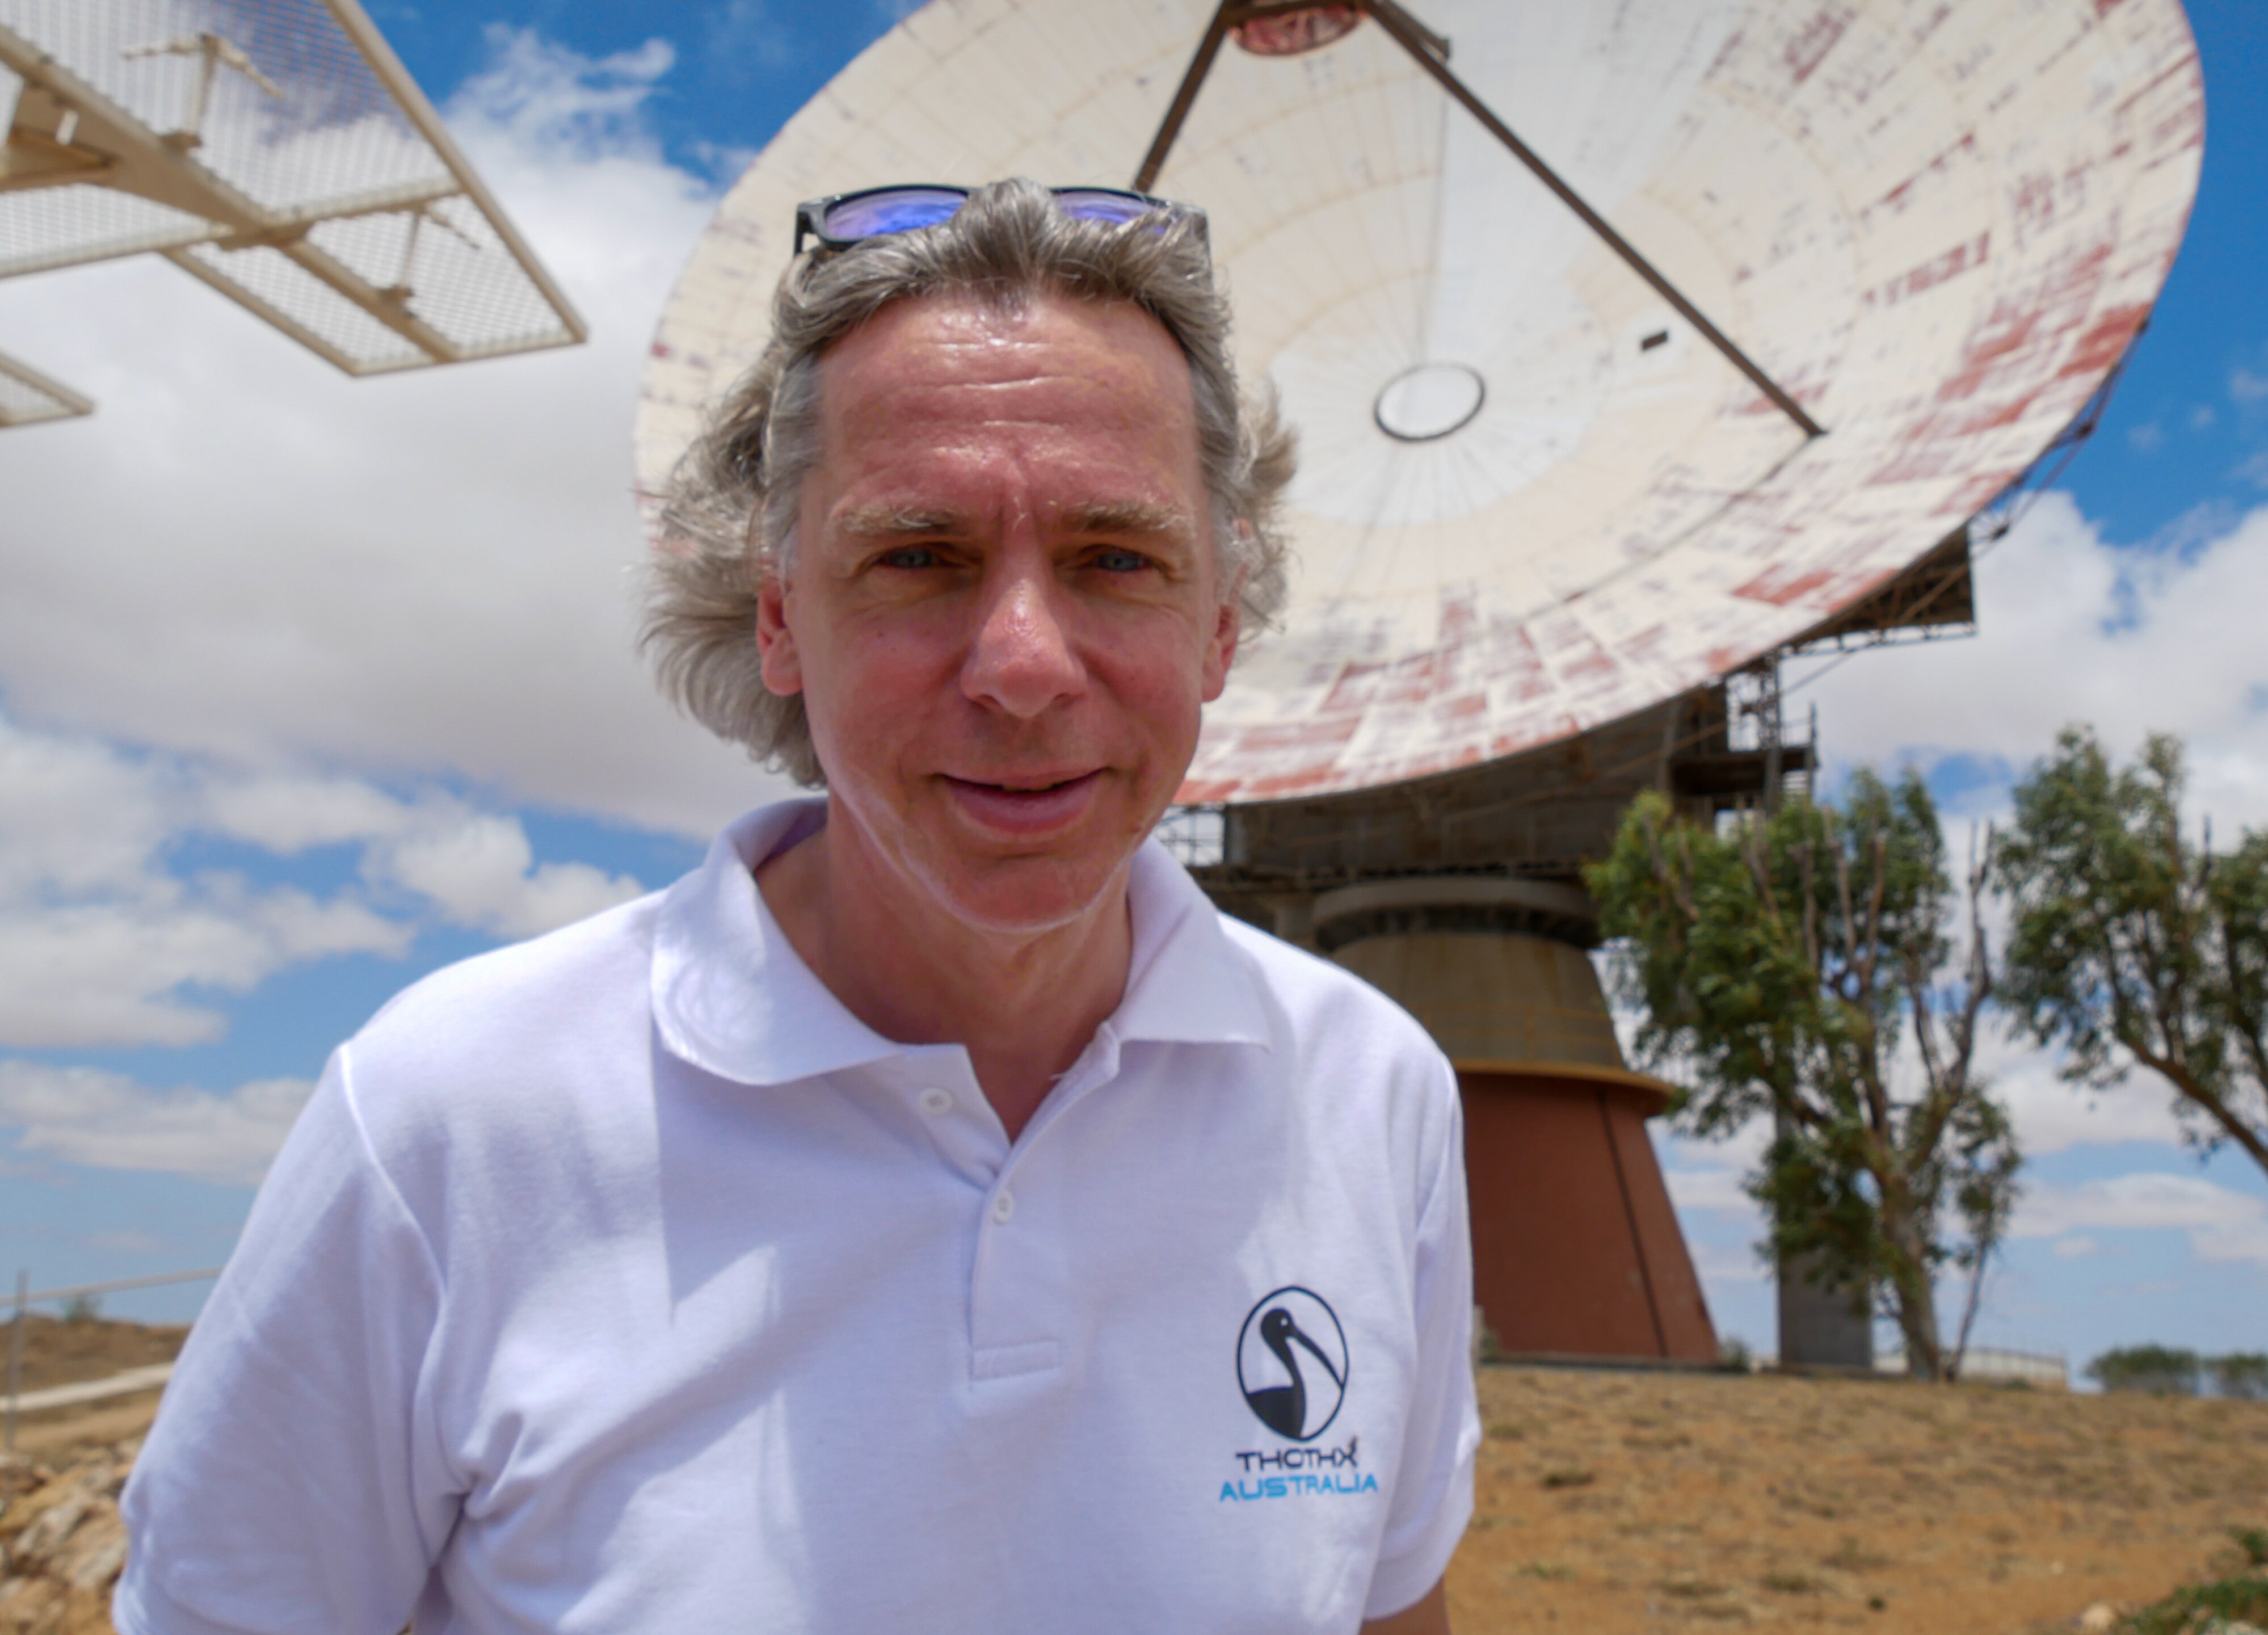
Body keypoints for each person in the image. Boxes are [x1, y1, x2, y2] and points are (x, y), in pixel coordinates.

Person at [115, 180, 1477, 1634]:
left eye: (1116, 558)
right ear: (776, 614)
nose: (1022, 662)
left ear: (1217, 620)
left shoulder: (1367, 1093)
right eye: (917, 557)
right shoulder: (450, 1122)